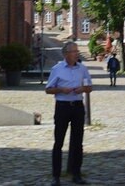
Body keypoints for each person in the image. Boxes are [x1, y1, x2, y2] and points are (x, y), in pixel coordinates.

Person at [45, 42, 92, 186]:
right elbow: (48, 89)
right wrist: (60, 90)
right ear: (66, 54)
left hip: (77, 106)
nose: (77, 53)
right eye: (74, 51)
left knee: (78, 142)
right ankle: (56, 176)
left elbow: (89, 87)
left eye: (77, 51)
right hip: (63, 107)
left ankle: (76, 174)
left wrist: (83, 88)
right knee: (58, 142)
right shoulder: (57, 69)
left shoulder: (82, 69)